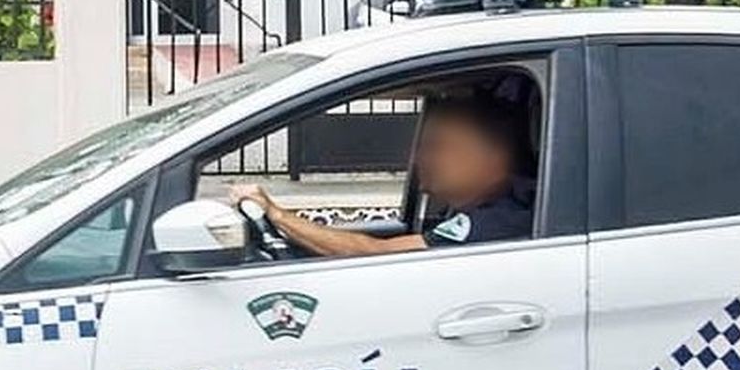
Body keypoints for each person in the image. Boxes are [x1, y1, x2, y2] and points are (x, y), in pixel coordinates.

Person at [229, 96, 534, 258]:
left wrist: (277, 215)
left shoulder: (499, 223)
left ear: (490, 157)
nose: (419, 160)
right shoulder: (482, 211)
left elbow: (378, 254)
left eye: (437, 147)